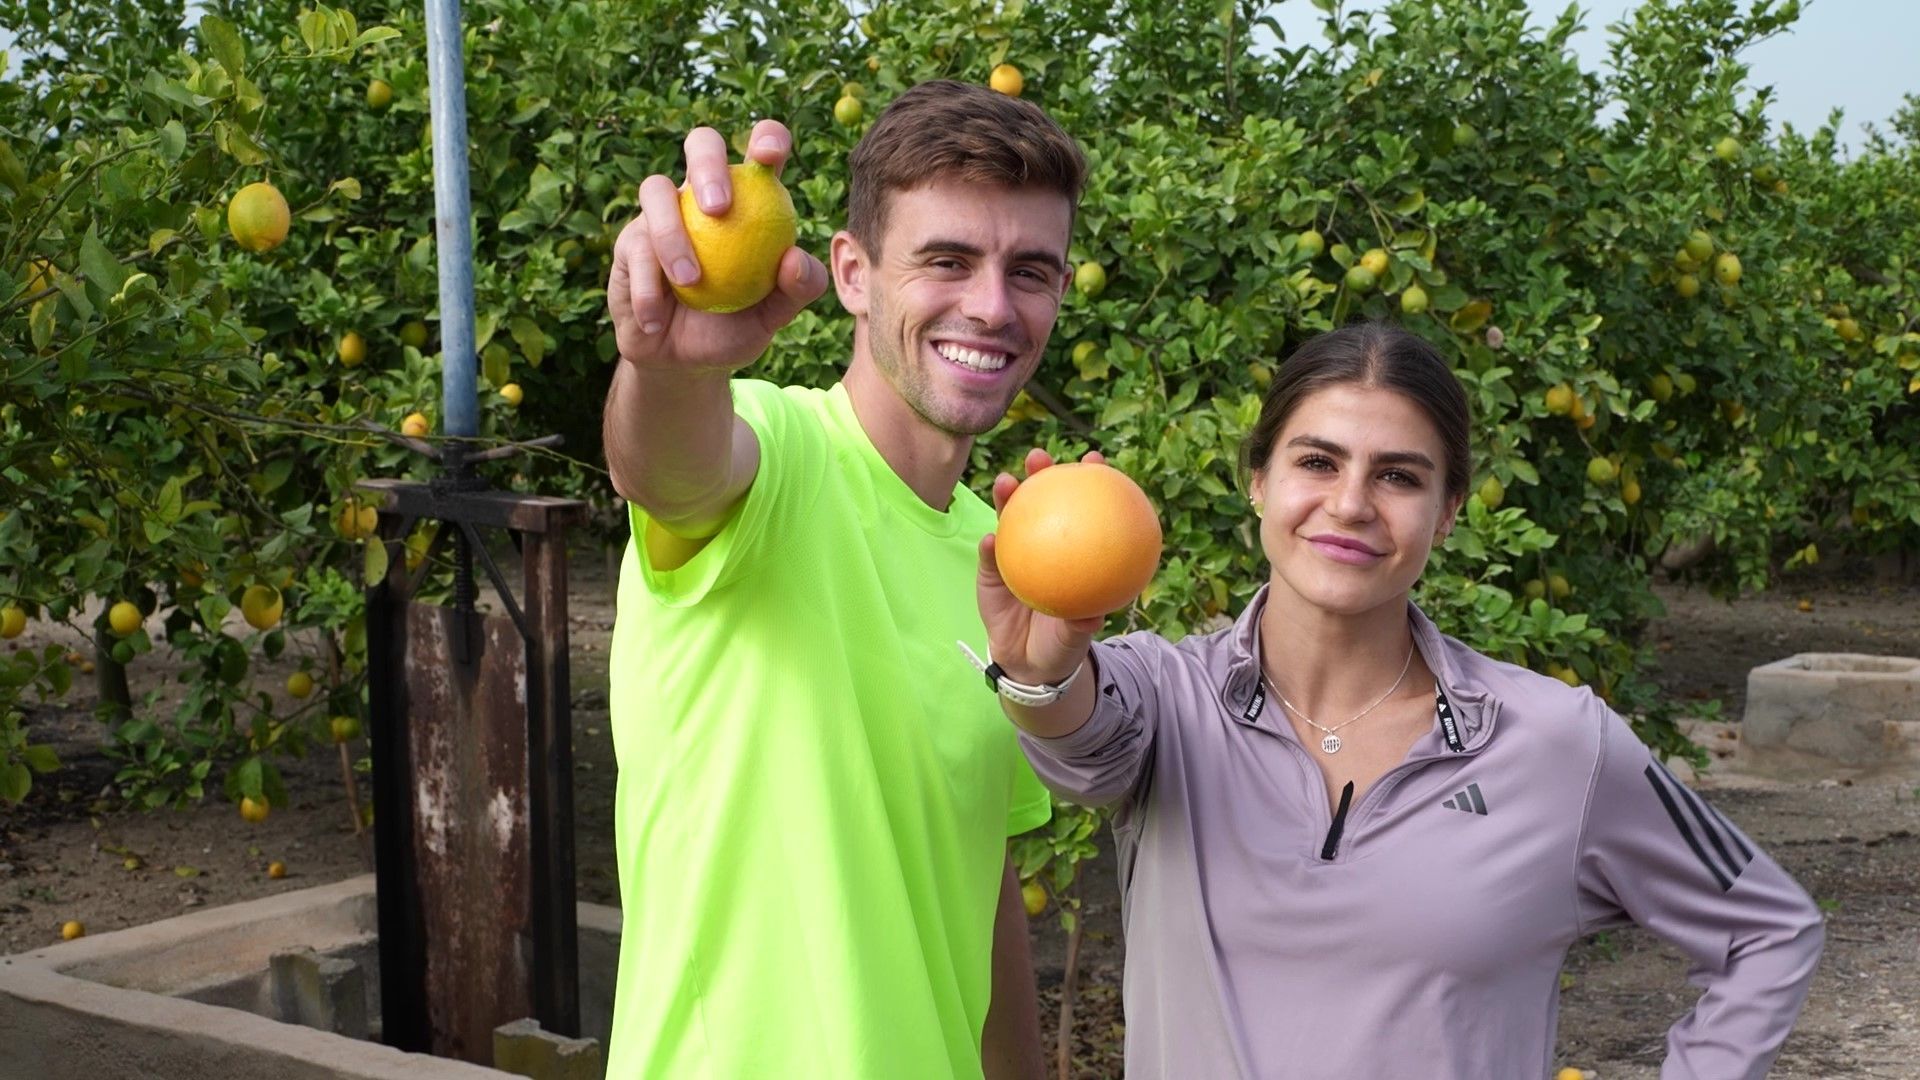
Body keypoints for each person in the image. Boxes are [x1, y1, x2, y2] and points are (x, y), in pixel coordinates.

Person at [973, 321, 1825, 1079]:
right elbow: (1078, 733)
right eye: (1317, 462)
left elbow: (1766, 930)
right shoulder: (1169, 701)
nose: (1350, 504)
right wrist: (1040, 667)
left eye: (1399, 477)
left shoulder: (1556, 743)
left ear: (1448, 512)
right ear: (1258, 480)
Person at [600, 80, 1087, 1079]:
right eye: (946, 260)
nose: (992, 306)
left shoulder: (1005, 560)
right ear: (854, 274)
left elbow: (976, 869)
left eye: (1030, 271)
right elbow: (670, 472)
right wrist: (670, 371)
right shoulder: (778, 457)